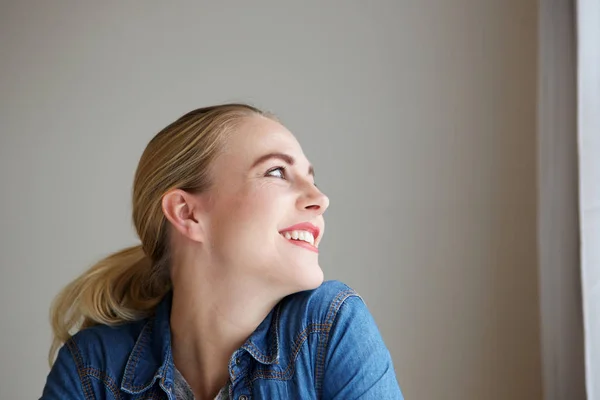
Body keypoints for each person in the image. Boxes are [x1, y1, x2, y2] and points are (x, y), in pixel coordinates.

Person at [40, 104, 404, 400]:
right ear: (188, 213)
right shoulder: (91, 368)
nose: (320, 199)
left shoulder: (328, 326)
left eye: (312, 178)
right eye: (277, 172)